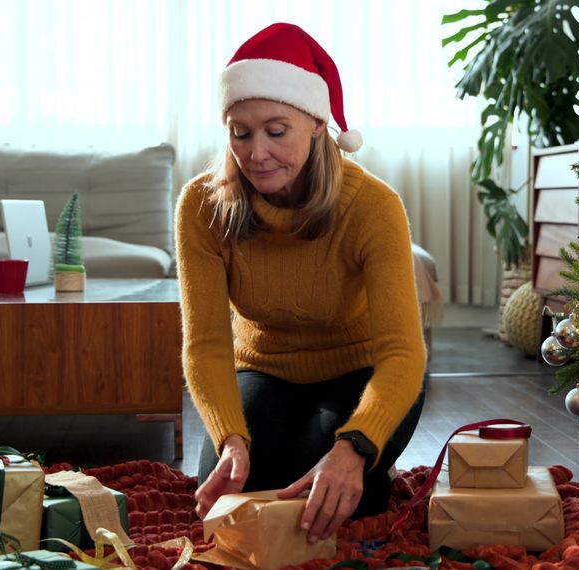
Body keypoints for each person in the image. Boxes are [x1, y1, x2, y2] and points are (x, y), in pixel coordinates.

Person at [175, 22, 427, 544]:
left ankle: (369, 466)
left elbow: (403, 353)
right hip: (264, 369)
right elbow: (206, 346)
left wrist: (354, 448)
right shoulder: (200, 206)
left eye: (276, 130)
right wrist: (229, 440)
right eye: (240, 132)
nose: (256, 153)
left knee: (335, 498)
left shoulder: (373, 207)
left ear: (316, 123)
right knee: (234, 494)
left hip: (361, 369)